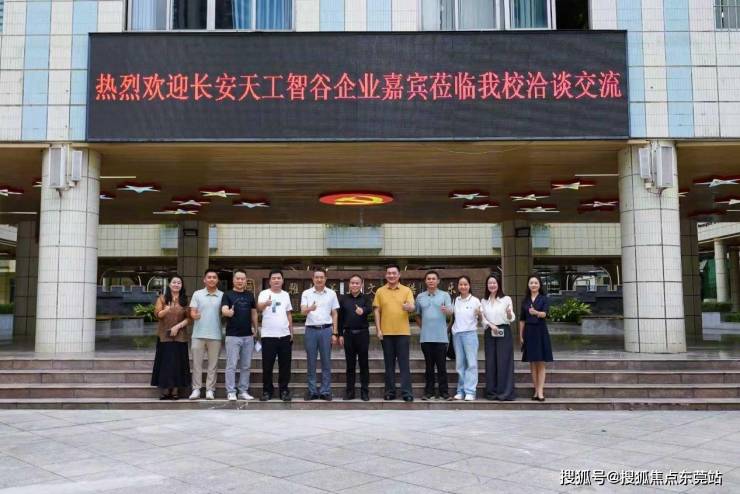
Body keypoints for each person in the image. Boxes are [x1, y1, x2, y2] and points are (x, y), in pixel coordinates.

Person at [373, 264, 415, 402]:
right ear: (386, 275)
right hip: (386, 333)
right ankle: (390, 392)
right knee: (389, 364)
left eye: (394, 273)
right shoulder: (380, 291)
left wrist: (409, 307)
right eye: (389, 273)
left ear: (399, 275)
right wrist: (378, 329)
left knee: (404, 364)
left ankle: (407, 392)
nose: (391, 275)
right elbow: (377, 311)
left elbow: (412, 307)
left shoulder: (406, 290)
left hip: (403, 333)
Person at [301, 268, 340, 401]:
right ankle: (312, 391)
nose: (319, 279)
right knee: (311, 361)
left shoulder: (331, 293)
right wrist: (310, 308)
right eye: (316, 277)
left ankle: (325, 391)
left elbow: (334, 313)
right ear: (313, 279)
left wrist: (335, 332)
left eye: (321, 277)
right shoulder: (306, 293)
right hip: (311, 330)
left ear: (325, 279)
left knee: (326, 361)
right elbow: (302, 311)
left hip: (326, 330)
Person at [151, 275, 191, 400]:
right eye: (174, 282)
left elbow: (189, 318)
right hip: (164, 336)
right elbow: (157, 314)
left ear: (182, 285)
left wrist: (177, 327)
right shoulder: (162, 298)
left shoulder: (185, 300)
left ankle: (175, 391)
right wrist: (166, 310)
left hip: (180, 336)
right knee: (165, 363)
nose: (176, 285)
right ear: (169, 285)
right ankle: (165, 390)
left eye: (179, 283)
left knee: (178, 363)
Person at [415, 270, 453, 401]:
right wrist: (424, 327)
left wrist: (447, 311)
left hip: (441, 338)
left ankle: (444, 392)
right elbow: (417, 315)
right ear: (425, 281)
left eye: (433, 278)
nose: (431, 281)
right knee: (429, 367)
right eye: (428, 279)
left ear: (438, 281)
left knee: (442, 366)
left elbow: (451, 313)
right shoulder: (420, 297)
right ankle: (429, 392)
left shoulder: (445, 295)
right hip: (426, 338)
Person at [221, 269, 258, 401]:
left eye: (242, 279)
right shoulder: (227, 294)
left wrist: (256, 327)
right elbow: (224, 309)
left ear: (245, 281)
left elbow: (254, 312)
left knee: (246, 365)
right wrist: (228, 313)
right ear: (233, 280)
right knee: (231, 365)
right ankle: (231, 391)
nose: (240, 281)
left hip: (248, 335)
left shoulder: (250, 295)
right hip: (232, 335)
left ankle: (243, 390)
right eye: (238, 278)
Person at [257, 269, 293, 402]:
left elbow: (288, 313)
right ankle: (267, 391)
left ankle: (284, 390)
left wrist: (291, 331)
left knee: (285, 366)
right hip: (268, 336)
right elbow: (259, 307)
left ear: (282, 280)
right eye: (274, 278)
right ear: (270, 281)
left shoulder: (286, 295)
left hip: (284, 335)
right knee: (267, 366)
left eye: (279, 278)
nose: (276, 280)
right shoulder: (264, 293)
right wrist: (265, 303)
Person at [480, 273, 516, 401]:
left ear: (499, 284)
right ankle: (492, 391)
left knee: (504, 361)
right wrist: (490, 325)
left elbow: (511, 318)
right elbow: (482, 318)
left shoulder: (506, 299)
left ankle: (505, 392)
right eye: (490, 283)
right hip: (490, 332)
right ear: (487, 285)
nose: (492, 285)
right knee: (491, 362)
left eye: (494, 282)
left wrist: (509, 313)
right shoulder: (484, 301)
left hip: (504, 331)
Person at [189, 269, 223, 400]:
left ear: (217, 280)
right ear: (204, 280)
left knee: (213, 365)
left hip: (215, 335)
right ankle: (196, 389)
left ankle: (210, 389)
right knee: (197, 364)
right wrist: (194, 315)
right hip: (198, 334)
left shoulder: (222, 295)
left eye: (214, 277)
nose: (211, 279)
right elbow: (192, 311)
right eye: (209, 277)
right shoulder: (197, 294)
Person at [338, 274, 372, 401]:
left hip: (363, 334)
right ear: (349, 284)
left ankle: (364, 392)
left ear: (361, 284)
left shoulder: (366, 298)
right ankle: (350, 392)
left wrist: (363, 311)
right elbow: (340, 319)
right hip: (348, 335)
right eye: (352, 283)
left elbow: (369, 309)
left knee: (364, 364)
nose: (355, 285)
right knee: (350, 365)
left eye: (357, 283)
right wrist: (340, 334)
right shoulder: (343, 299)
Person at [519, 274, 553, 402]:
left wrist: (536, 313)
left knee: (541, 362)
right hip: (529, 332)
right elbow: (522, 320)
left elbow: (545, 314)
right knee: (532, 363)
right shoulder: (525, 301)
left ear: (539, 285)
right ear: (528, 285)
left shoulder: (544, 299)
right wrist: (521, 336)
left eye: (536, 283)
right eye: (531, 283)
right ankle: (535, 390)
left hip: (540, 331)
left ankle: (540, 391)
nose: (533, 285)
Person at [450, 276, 481, 401]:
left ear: (469, 286)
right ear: (458, 286)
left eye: (465, 284)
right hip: (457, 335)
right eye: (461, 284)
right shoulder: (455, 300)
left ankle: (470, 391)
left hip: (470, 334)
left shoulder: (475, 300)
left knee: (471, 364)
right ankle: (460, 391)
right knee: (460, 364)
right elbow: (451, 315)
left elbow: (482, 317)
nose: (463, 287)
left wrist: (480, 314)